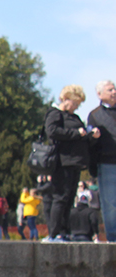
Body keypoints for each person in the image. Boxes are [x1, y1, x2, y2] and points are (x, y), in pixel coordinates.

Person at [43, 85, 97, 242]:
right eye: (76, 103)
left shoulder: (75, 118)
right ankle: (54, 233)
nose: (77, 107)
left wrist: (91, 136)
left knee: (69, 197)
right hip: (62, 162)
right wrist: (76, 133)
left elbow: (81, 137)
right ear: (66, 99)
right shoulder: (55, 114)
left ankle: (65, 231)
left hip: (75, 162)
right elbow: (52, 132)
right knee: (60, 197)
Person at [87, 80, 116, 241]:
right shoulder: (95, 115)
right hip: (107, 163)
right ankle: (113, 239)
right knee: (110, 204)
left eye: (114, 89)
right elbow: (90, 144)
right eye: (110, 89)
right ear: (100, 94)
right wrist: (93, 137)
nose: (114, 92)